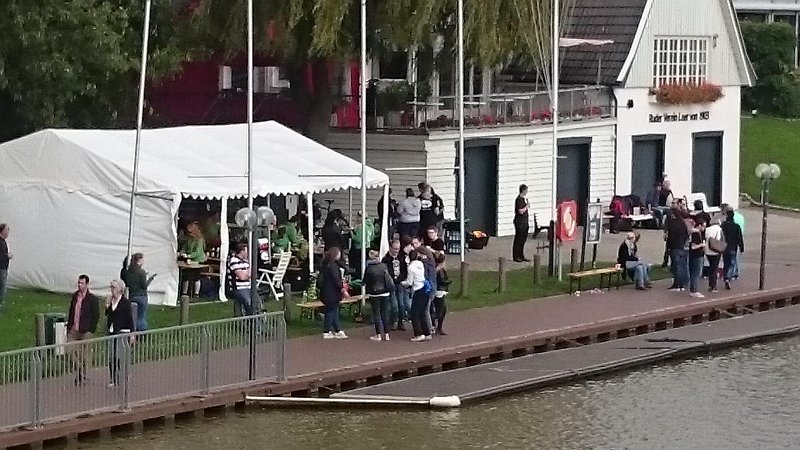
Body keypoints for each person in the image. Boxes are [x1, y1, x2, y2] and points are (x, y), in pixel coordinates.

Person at [67, 275, 100, 386]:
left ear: (87, 284)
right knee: (70, 351)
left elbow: (96, 315)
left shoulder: (92, 299)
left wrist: (91, 329)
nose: (79, 285)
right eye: (78, 283)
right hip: (74, 329)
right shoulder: (75, 296)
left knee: (84, 354)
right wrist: (69, 327)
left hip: (85, 330)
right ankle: (79, 369)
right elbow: (71, 311)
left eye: (82, 283)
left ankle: (84, 374)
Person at [105, 279, 133, 387]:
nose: (112, 290)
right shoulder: (111, 301)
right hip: (112, 331)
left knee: (120, 356)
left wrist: (132, 333)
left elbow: (130, 318)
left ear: (120, 289)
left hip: (122, 331)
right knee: (111, 356)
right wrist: (107, 306)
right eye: (111, 287)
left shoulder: (125, 303)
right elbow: (108, 314)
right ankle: (113, 379)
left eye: (114, 287)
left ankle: (123, 376)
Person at [363, 250, 394, 341]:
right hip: (385, 292)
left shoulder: (369, 268)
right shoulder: (384, 266)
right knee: (385, 313)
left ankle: (378, 334)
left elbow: (365, 281)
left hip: (374, 293)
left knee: (376, 313)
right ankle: (387, 334)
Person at [319, 247, 349, 339]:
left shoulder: (325, 265)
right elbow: (337, 280)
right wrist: (343, 290)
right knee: (331, 311)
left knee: (333, 311)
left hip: (326, 291)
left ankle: (337, 329)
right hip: (332, 292)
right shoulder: (333, 266)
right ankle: (326, 331)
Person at [402, 250, 431, 342]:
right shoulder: (420, 264)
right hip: (425, 289)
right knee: (422, 312)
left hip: (418, 291)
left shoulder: (411, 267)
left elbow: (409, 282)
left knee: (414, 313)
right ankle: (427, 333)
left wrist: (403, 283)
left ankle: (419, 334)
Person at [411, 236, 437, 334]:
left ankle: (429, 329)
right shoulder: (429, 257)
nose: (414, 246)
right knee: (428, 308)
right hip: (431, 285)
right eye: (412, 244)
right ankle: (431, 326)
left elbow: (425, 274)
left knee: (425, 310)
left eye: (415, 243)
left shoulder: (422, 261)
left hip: (427, 287)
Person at [124, 253, 156, 332]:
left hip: (132, 295)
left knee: (133, 315)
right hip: (141, 296)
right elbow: (144, 286)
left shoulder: (128, 271)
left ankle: (133, 331)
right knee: (141, 316)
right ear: (139, 261)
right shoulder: (141, 272)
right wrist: (150, 279)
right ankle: (141, 332)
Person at [382, 239, 409, 331]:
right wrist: (391, 281)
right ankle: (392, 322)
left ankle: (400, 322)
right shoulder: (386, 259)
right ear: (390, 248)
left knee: (401, 304)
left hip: (400, 283)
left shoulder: (401, 257)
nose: (396, 251)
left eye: (398, 248)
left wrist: (401, 278)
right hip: (391, 284)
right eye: (394, 248)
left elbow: (404, 270)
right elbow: (386, 273)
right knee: (394, 305)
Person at [665, 206, 689, 291]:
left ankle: (677, 284)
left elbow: (670, 237)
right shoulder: (682, 223)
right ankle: (682, 284)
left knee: (676, 266)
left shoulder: (672, 224)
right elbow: (686, 234)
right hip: (681, 246)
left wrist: (668, 247)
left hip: (674, 247)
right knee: (681, 266)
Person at [180, 220, 207, 296]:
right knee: (186, 276)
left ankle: (196, 294)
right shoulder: (189, 239)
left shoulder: (200, 240)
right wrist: (182, 252)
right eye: (188, 232)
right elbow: (184, 248)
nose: (189, 233)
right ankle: (184, 293)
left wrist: (189, 256)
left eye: (191, 232)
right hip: (189, 260)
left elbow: (197, 252)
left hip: (198, 260)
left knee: (196, 277)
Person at [228, 243, 254, 316]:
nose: (247, 253)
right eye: (246, 251)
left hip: (248, 287)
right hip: (238, 288)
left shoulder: (245, 261)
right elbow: (242, 277)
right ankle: (251, 319)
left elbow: (252, 274)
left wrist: (246, 274)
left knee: (257, 301)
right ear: (242, 251)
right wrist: (246, 274)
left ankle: (255, 318)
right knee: (248, 304)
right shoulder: (233, 261)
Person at [721, 211, 745, 290]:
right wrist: (741, 248)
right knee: (732, 263)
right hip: (733, 248)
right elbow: (739, 238)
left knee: (726, 263)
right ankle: (728, 277)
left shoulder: (723, 225)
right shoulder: (736, 226)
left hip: (724, 247)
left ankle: (725, 277)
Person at [349, 212, 375, 279]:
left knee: (359, 266)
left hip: (360, 248)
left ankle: (359, 279)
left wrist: (351, 232)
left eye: (357, 217)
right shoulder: (371, 225)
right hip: (368, 246)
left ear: (361, 217)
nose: (357, 219)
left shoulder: (362, 226)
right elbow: (372, 237)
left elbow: (357, 239)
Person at [688, 217, 707, 298]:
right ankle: (693, 290)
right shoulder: (695, 234)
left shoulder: (697, 233)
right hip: (696, 256)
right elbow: (693, 246)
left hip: (697, 255)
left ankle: (693, 289)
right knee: (696, 273)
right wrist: (701, 245)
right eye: (703, 226)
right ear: (699, 225)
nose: (704, 228)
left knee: (695, 273)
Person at [705, 218, 725, 292]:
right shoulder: (719, 229)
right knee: (714, 268)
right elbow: (719, 239)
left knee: (711, 267)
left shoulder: (707, 229)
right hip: (716, 251)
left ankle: (710, 284)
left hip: (708, 251)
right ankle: (713, 286)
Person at [433, 252, 450, 335]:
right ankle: (433, 326)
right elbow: (441, 281)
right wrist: (447, 282)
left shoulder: (440, 270)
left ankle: (437, 327)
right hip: (438, 292)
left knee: (442, 310)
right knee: (440, 311)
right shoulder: (438, 270)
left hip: (440, 291)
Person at [512, 184, 531, 262]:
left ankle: (521, 255)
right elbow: (520, 211)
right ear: (523, 190)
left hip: (524, 222)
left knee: (523, 239)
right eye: (526, 190)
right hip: (520, 222)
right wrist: (527, 206)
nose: (527, 192)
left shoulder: (523, 199)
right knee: (518, 239)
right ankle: (516, 256)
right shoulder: (518, 200)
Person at [0, 223, 11, 309]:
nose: (8, 232)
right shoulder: (0, 242)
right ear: (2, 231)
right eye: (7, 229)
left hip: (3, 267)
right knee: (2, 287)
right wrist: (7, 256)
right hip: (1, 267)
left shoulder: (3, 242)